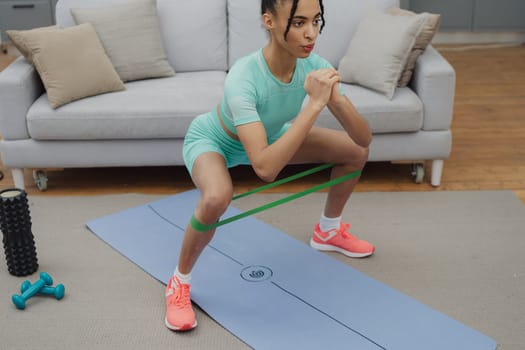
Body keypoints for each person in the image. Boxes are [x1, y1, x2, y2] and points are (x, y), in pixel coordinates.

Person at [165, 0, 374, 331]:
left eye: (316, 22)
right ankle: (179, 282)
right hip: (215, 140)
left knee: (353, 154)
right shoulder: (243, 77)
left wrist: (334, 99)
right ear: (270, 22)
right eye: (299, 23)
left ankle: (328, 231)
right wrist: (314, 106)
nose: (310, 34)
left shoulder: (314, 64)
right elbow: (264, 168)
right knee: (217, 197)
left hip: (272, 136)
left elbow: (363, 139)